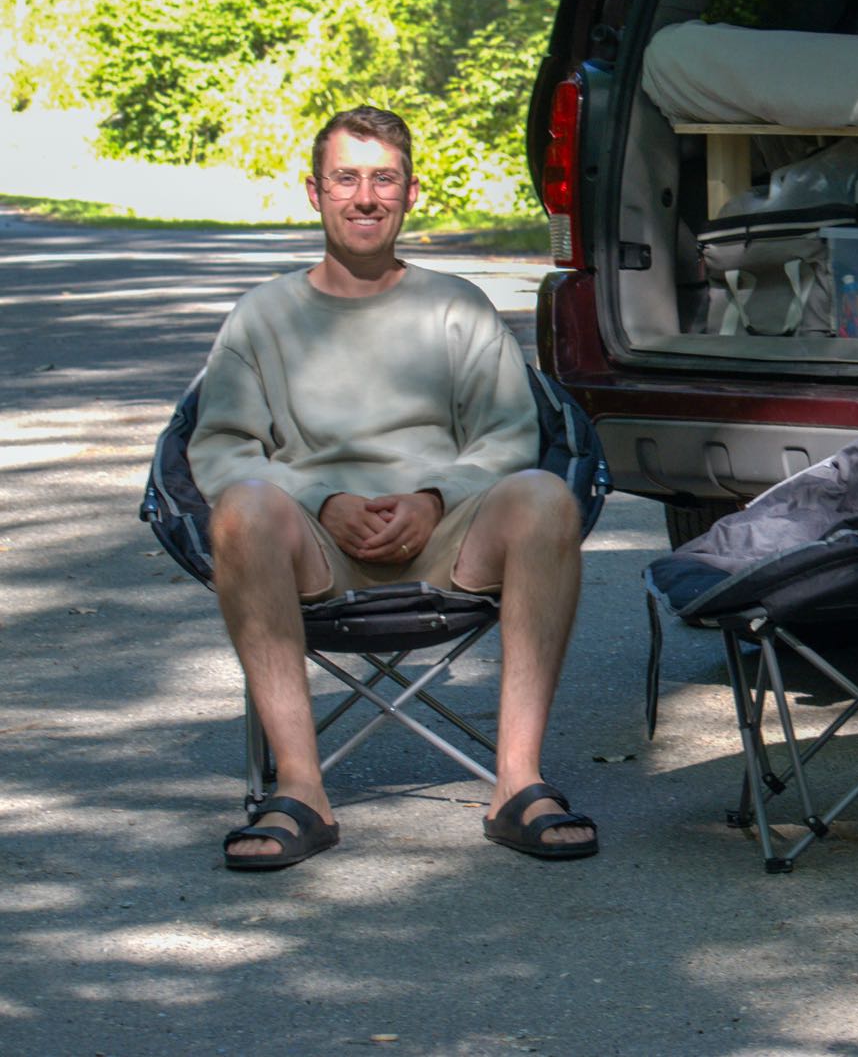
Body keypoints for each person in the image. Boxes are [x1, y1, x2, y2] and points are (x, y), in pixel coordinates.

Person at [189, 106, 597, 868]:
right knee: (243, 509)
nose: (366, 196)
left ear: (413, 194)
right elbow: (219, 452)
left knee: (545, 497)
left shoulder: (455, 307)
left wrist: (435, 497)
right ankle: (302, 790)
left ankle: (517, 780)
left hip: (447, 539)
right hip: (316, 549)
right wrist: (322, 502)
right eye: (347, 178)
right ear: (314, 192)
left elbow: (511, 433)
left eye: (385, 179)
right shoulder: (263, 317)